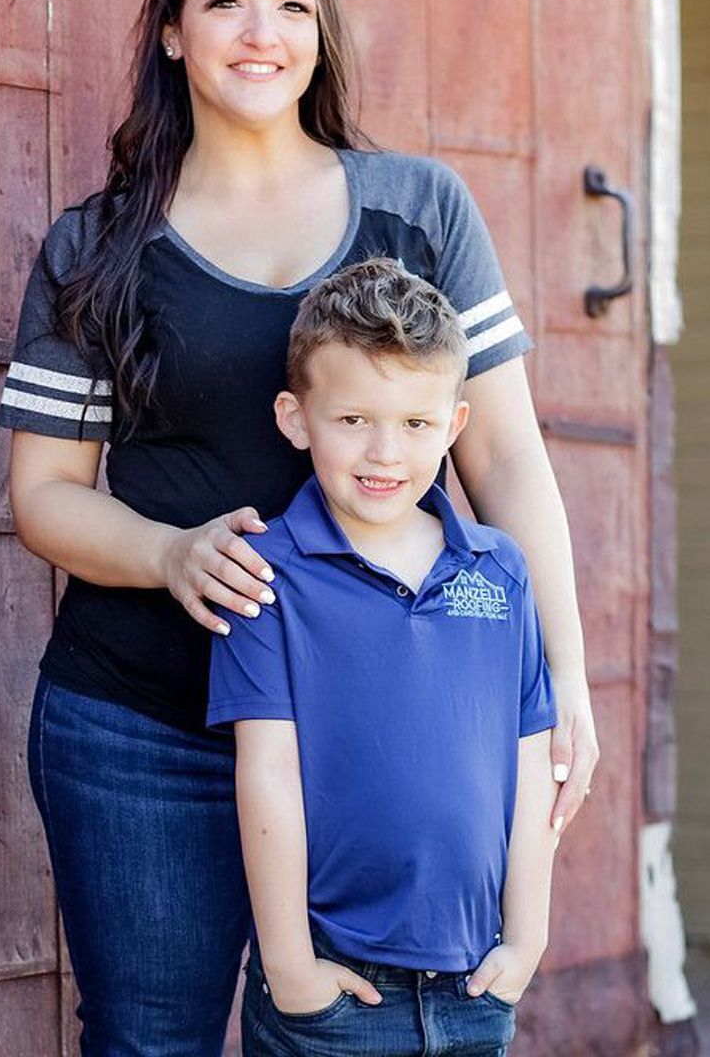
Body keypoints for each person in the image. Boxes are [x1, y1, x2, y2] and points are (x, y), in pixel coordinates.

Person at [0, 0, 595, 1057]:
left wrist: (561, 668)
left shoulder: (417, 209)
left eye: (290, 7)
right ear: (171, 29)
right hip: (142, 727)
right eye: (223, 2)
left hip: (381, 737)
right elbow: (44, 497)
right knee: (148, 1041)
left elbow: (507, 457)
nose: (259, 33)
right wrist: (168, 553)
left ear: (319, 35)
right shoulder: (97, 242)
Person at [207, 258, 559, 1057]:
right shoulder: (269, 574)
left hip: (474, 985)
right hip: (335, 990)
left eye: (414, 423)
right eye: (353, 419)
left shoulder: (497, 571)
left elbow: (530, 761)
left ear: (455, 425)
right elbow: (266, 773)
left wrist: (527, 937)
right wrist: (292, 967)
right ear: (296, 418)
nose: (383, 452)